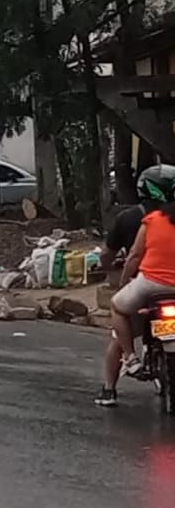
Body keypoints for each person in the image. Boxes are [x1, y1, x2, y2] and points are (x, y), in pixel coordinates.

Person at [96, 165, 175, 407]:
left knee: (118, 322)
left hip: (147, 286)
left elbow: (130, 256)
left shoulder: (140, 219)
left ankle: (113, 384)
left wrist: (118, 279)